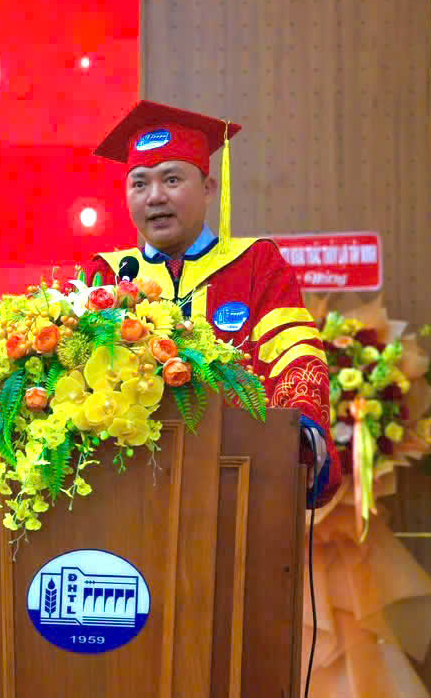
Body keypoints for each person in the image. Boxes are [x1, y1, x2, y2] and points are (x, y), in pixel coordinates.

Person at [77, 100, 341, 507]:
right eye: (139, 184)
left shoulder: (255, 265)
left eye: (171, 179)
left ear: (208, 187)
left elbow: (293, 350)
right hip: (123, 490)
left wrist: (300, 420)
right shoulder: (106, 277)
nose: (154, 197)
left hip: (235, 486)